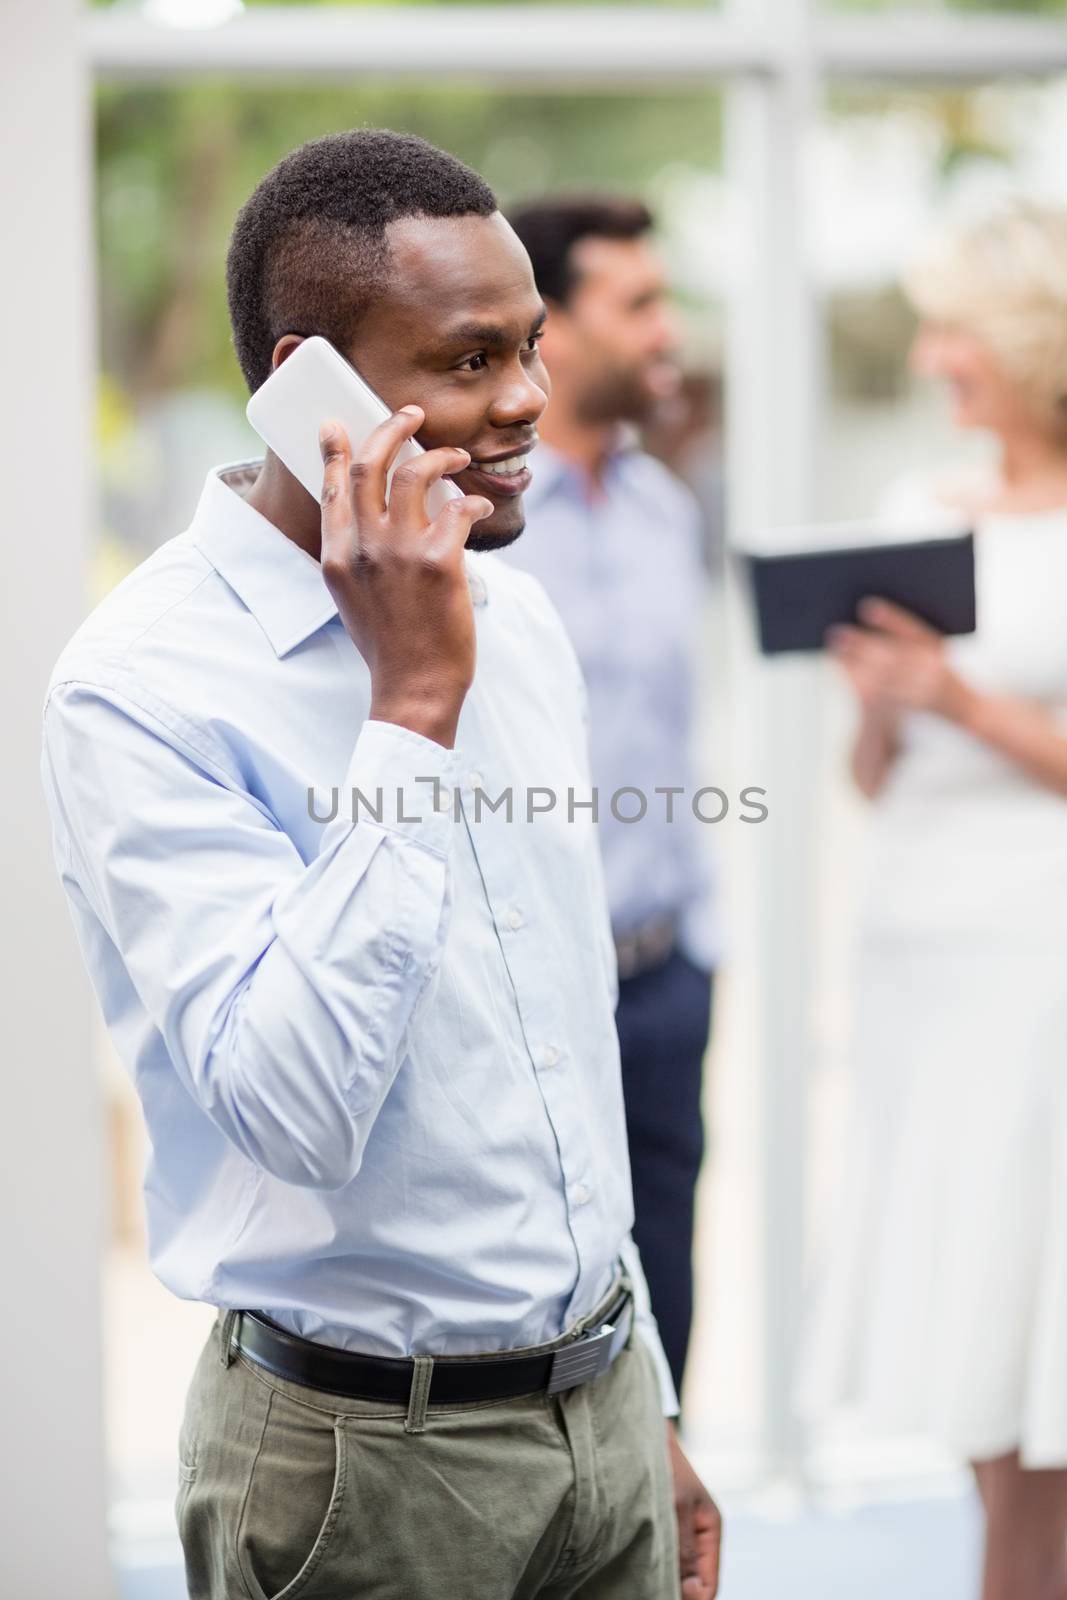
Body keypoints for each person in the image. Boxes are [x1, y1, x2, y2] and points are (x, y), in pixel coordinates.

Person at [40, 131, 721, 1599]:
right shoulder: (142, 686)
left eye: (530, 345)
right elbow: (290, 1109)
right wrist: (407, 713)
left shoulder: (511, 616)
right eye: (469, 360)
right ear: (305, 386)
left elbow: (560, 1047)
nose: (529, 399)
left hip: (597, 1421)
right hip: (365, 1471)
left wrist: (641, 1389)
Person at [797, 199, 1067, 1600]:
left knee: (1038, 1306)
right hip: (917, 952)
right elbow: (870, 777)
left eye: (957, 328)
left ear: (1027, 340)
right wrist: (880, 704)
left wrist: (956, 692)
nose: (934, 356)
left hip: (1041, 960)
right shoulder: (915, 508)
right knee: (967, 1306)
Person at [498, 197, 719, 1401]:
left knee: (668, 1314)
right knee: (537, 1332)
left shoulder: (666, 511)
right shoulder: (472, 529)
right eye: (636, 305)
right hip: (527, 997)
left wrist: (701, 943)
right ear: (555, 331)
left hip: (664, 983)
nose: (665, 330)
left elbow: (674, 751)